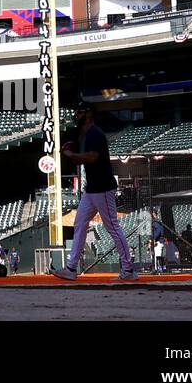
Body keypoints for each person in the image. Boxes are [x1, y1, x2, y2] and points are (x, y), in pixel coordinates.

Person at [52, 101, 136, 281]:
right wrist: (70, 152)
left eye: (80, 113)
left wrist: (71, 154)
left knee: (112, 226)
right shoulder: (85, 134)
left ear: (88, 114)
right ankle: (71, 269)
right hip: (91, 190)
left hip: (103, 188)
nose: (77, 116)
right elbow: (80, 160)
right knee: (80, 224)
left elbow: (92, 157)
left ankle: (128, 269)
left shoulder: (95, 133)